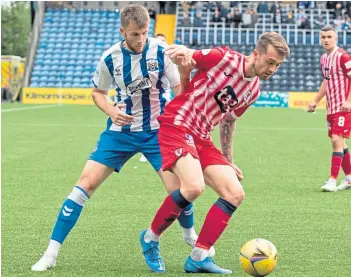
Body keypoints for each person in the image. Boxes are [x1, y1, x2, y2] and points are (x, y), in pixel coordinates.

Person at [31, 4, 213, 272]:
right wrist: (111, 110)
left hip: (157, 132)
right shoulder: (109, 58)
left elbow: (179, 91)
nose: (140, 40)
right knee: (84, 185)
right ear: (122, 31)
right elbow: (97, 92)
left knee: (180, 191)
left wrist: (182, 112)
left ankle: (189, 235)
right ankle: (50, 253)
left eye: (143, 33)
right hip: (120, 133)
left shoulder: (162, 52)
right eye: (134, 34)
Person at [139, 32, 290, 273]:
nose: (272, 68)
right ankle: (150, 238)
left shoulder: (254, 91)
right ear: (256, 54)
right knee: (194, 187)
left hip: (201, 136)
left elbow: (228, 121)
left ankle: (198, 256)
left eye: (277, 65)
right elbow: (188, 57)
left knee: (234, 193)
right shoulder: (224, 57)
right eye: (270, 62)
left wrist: (228, 160)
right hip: (178, 123)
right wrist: (181, 53)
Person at [308, 25, 351, 192]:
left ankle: (332, 180)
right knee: (341, 142)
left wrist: (349, 101)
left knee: (336, 141)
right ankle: (348, 178)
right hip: (331, 108)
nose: (326, 40)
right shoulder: (323, 59)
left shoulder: (343, 57)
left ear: (336, 38)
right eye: (323, 37)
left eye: (329, 37)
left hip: (344, 108)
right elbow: (326, 82)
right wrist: (315, 100)